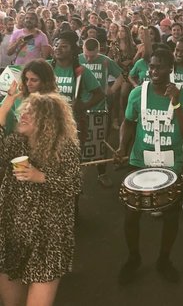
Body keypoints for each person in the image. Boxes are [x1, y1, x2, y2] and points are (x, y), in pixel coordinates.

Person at [116, 48, 183, 285]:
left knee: (171, 216)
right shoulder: (138, 94)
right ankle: (133, 257)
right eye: (151, 66)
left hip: (172, 165)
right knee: (132, 214)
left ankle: (164, 260)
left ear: (170, 69)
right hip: (141, 161)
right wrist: (122, 147)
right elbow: (128, 123)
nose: (153, 71)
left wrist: (177, 104)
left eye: (158, 67)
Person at [0, 86, 81, 306]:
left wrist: (41, 177)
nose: (22, 114)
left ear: (47, 120)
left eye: (30, 112)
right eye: (23, 110)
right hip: (13, 235)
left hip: (48, 240)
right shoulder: (16, 143)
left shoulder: (66, 149)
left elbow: (74, 186)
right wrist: (6, 105)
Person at [79, 38, 124, 187]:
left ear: (99, 50)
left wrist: (112, 90)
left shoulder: (105, 60)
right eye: (86, 55)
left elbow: (121, 76)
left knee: (101, 143)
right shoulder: (76, 59)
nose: (88, 58)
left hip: (99, 107)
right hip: (79, 107)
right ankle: (76, 174)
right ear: (82, 49)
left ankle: (102, 173)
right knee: (77, 141)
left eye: (92, 56)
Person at [2, 59, 58, 135]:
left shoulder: (52, 103)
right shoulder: (17, 95)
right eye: (26, 79)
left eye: (34, 80)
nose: (28, 83)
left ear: (45, 81)